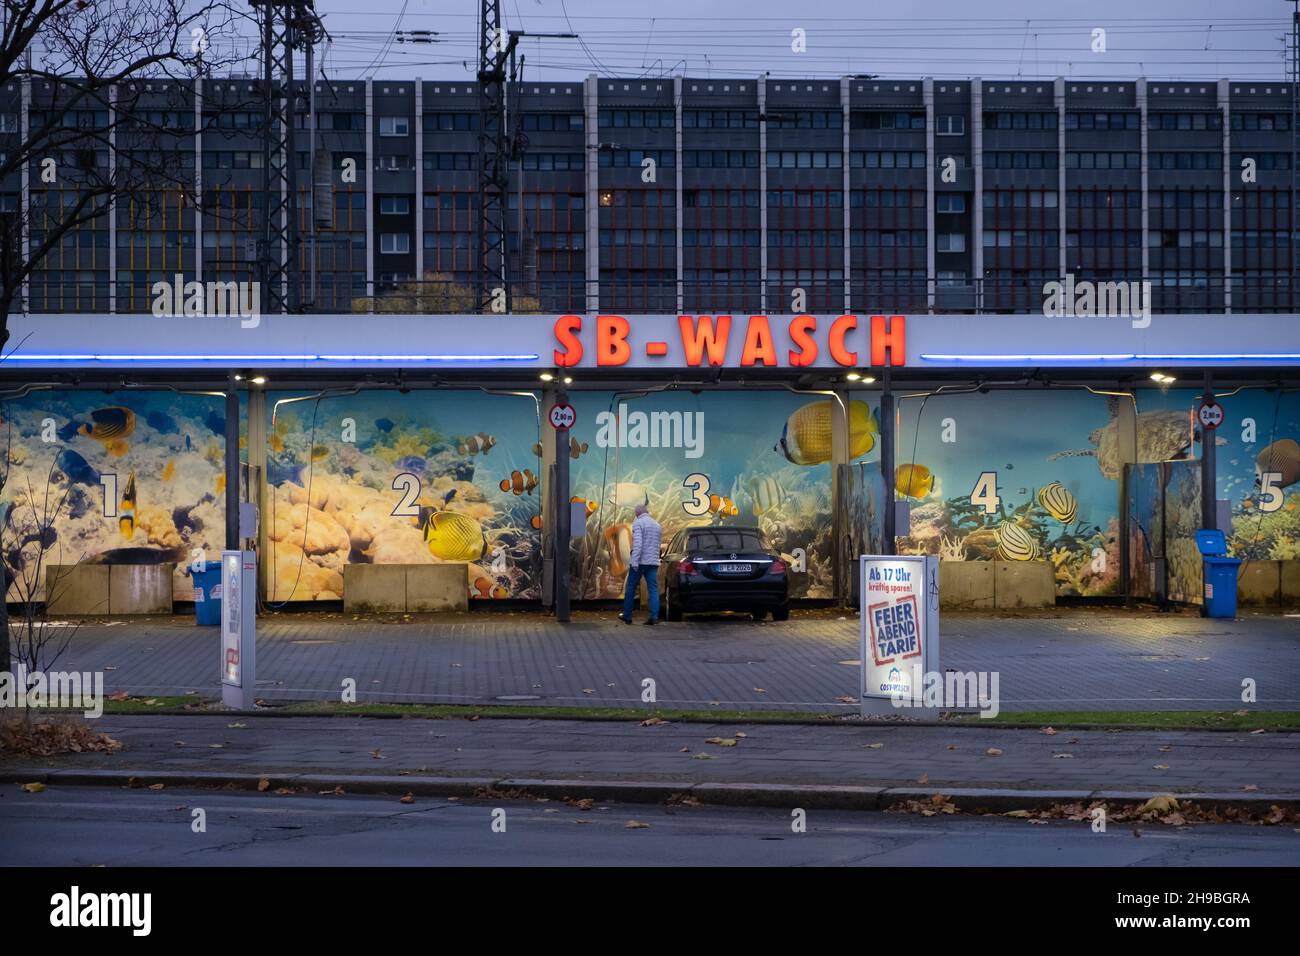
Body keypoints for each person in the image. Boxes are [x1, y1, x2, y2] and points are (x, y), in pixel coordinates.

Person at [620, 503, 661, 625]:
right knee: (653, 589)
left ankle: (627, 615)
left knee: (631, 587)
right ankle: (654, 617)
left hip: (641, 562)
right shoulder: (657, 525)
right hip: (653, 562)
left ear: (637, 513)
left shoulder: (638, 523)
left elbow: (638, 544)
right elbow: (657, 545)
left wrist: (634, 562)